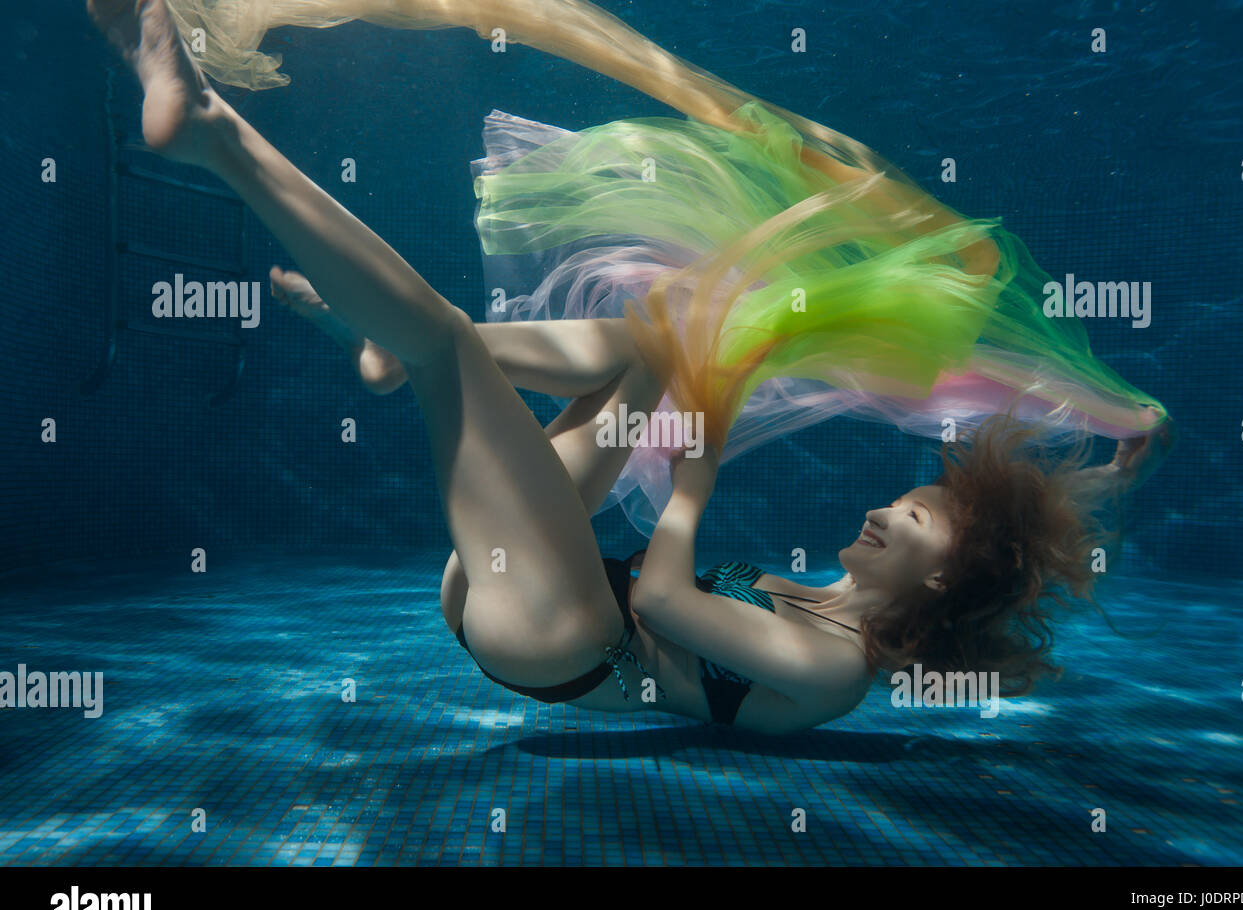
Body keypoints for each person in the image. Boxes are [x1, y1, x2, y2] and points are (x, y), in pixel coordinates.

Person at [90, 0, 1174, 734]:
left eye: (915, 519)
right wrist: (1115, 436)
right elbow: (1020, 515)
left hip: (556, 637)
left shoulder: (837, 672)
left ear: (938, 581)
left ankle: (212, 132)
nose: (888, 510)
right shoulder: (828, 604)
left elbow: (662, 590)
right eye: (905, 498)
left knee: (448, 348)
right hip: (533, 583)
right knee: (654, 341)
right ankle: (386, 347)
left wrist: (697, 454)